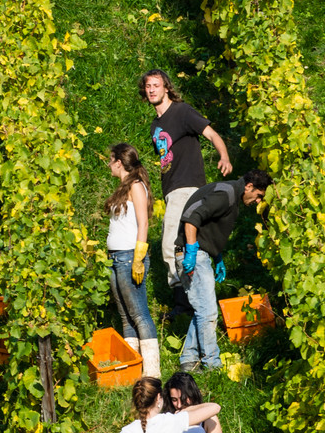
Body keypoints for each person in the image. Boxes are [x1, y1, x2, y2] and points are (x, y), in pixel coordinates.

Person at [139, 70, 233, 291]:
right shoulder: (155, 125)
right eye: (148, 86)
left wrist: (225, 157)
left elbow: (212, 134)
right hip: (172, 189)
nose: (151, 89)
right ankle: (197, 288)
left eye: (156, 85)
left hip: (187, 185)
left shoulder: (182, 111)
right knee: (187, 240)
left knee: (170, 241)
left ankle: (180, 294)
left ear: (167, 88)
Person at [174, 171, 272, 373]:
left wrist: (217, 256)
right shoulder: (226, 193)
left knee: (202, 309)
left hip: (201, 254)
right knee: (208, 312)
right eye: (259, 195)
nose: (258, 201)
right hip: (193, 253)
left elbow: (209, 228)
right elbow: (192, 218)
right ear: (249, 186)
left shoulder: (231, 195)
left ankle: (189, 360)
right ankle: (212, 365)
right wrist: (191, 251)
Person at [106, 144, 161, 378]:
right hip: (116, 258)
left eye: (110, 160)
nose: (108, 164)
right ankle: (133, 370)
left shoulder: (137, 186)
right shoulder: (123, 187)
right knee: (126, 316)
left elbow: (144, 222)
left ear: (119, 162)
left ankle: (152, 372)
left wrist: (139, 256)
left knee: (139, 315)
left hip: (129, 257)